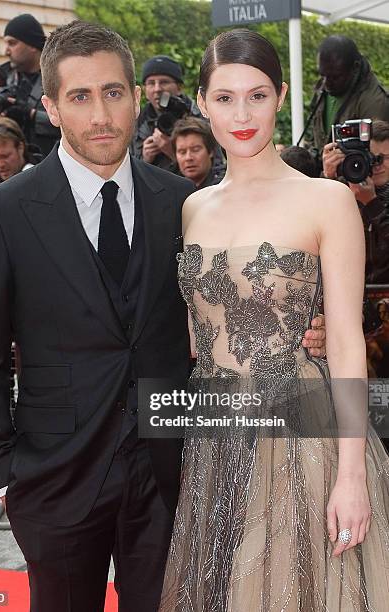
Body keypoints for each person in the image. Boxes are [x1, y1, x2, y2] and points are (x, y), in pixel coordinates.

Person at [0, 21, 326, 612]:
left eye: (113, 92)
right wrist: (1, 473)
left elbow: (227, 305)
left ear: (134, 95)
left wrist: (308, 325)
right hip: (53, 476)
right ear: (50, 107)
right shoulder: (2, 213)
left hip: (167, 470)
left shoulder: (179, 201)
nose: (101, 113)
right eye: (80, 96)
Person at [160, 29, 389, 611]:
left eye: (257, 96)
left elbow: (343, 342)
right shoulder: (192, 208)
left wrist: (353, 474)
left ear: (281, 96)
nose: (242, 114)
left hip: (301, 433)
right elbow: (197, 330)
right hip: (214, 430)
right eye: (225, 97)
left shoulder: (325, 200)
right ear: (203, 103)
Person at [322, 119, 389, 283]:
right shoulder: (340, 191)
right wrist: (327, 179)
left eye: (384, 158)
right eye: (370, 157)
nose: (376, 165)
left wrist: (372, 204)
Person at [0, 13, 60, 157]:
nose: (6, 51)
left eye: (12, 43)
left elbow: (70, 122)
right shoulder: (8, 80)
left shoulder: (58, 77)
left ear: (32, 46)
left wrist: (30, 114)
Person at [310, 35, 389, 157]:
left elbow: (378, 163)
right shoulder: (322, 90)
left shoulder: (374, 102)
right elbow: (315, 139)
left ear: (355, 68)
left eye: (335, 77)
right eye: (322, 75)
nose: (326, 82)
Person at [130, 55, 202, 169]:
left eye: (164, 82)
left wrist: (173, 152)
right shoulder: (136, 121)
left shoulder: (199, 116)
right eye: (151, 83)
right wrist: (145, 159)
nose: (157, 89)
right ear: (144, 89)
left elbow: (214, 168)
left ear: (179, 87)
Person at [171, 117, 225, 188]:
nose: (188, 158)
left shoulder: (224, 185)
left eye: (195, 150)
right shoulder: (172, 189)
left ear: (210, 151)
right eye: (182, 152)